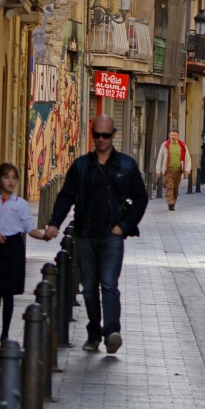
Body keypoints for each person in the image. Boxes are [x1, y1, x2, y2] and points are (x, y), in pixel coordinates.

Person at [45, 115, 148, 353]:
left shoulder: (126, 166)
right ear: (93, 136)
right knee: (90, 288)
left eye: (106, 135)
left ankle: (111, 331)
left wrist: (124, 226)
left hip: (112, 236)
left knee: (109, 284)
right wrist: (54, 223)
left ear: (113, 135)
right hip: (85, 235)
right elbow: (66, 196)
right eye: (97, 135)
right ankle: (93, 331)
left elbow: (141, 198)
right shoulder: (81, 166)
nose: (101, 139)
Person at [0, 163, 48, 343]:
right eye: (6, 177)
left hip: (14, 249)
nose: (10, 181)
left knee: (9, 293)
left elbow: (29, 227)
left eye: (14, 177)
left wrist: (44, 236)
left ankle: (5, 333)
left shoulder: (21, 204)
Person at [156, 129, 192, 210]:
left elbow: (187, 158)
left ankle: (173, 201)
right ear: (170, 136)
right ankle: (170, 202)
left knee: (175, 188)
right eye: (172, 135)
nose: (173, 137)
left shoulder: (182, 145)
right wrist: (158, 170)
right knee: (170, 186)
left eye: (175, 135)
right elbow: (160, 158)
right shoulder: (165, 145)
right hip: (168, 170)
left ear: (178, 136)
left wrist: (188, 168)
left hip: (178, 171)